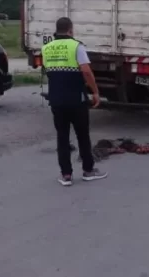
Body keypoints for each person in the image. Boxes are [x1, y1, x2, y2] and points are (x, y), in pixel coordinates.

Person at [42, 17, 106, 186]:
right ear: (70, 30)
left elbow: (48, 71)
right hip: (76, 99)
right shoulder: (77, 46)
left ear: (57, 30)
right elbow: (85, 70)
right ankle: (88, 170)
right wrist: (95, 92)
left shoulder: (46, 48)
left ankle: (66, 175)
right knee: (83, 135)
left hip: (56, 100)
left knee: (62, 137)